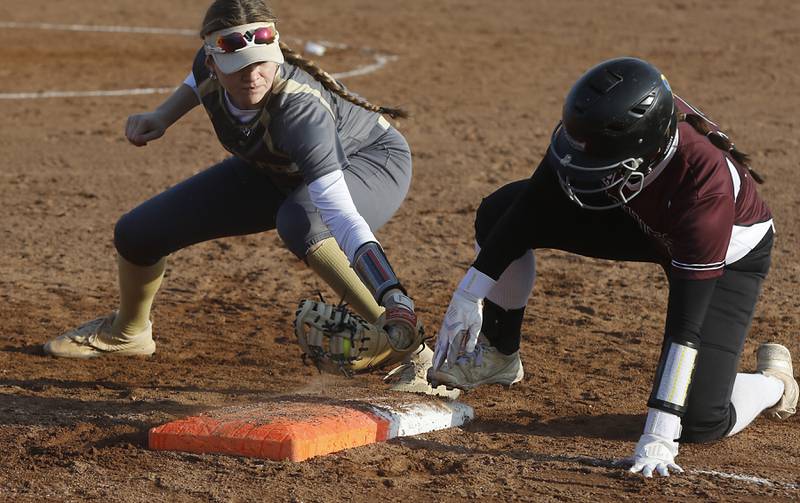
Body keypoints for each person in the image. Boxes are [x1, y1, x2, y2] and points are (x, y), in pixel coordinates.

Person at [43, 0, 455, 398]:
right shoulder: (208, 67)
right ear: (213, 63)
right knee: (138, 232)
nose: (253, 75)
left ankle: (408, 345)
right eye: (238, 66)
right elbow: (196, 82)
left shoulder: (300, 112)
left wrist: (392, 295)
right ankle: (128, 333)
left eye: (262, 61)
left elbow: (341, 216)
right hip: (274, 169)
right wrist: (162, 116)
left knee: (302, 222)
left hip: (369, 160)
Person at [427, 57, 798, 476]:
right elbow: (531, 206)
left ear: (646, 152)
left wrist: (658, 435)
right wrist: (467, 294)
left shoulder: (703, 191)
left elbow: (684, 327)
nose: (579, 169)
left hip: (726, 255)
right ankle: (499, 355)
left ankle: (774, 384)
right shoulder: (602, 128)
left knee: (697, 421)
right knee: (500, 211)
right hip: (637, 210)